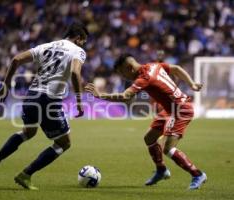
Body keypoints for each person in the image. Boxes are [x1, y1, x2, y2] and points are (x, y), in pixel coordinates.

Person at [0, 22, 88, 190]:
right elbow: (75, 72)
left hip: (31, 96)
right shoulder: (78, 51)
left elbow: (16, 59)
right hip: (49, 100)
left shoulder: (46, 46)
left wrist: (6, 85)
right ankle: (26, 174)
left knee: (28, 132)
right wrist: (79, 100)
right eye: (83, 41)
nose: (83, 45)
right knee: (64, 144)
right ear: (78, 38)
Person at [85, 54, 207, 190]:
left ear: (129, 68)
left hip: (180, 110)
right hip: (169, 110)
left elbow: (125, 97)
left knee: (168, 148)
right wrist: (192, 84)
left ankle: (198, 174)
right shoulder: (153, 65)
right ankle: (161, 170)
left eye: (123, 73)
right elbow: (177, 69)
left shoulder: (144, 78)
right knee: (149, 138)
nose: (124, 77)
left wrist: (101, 95)